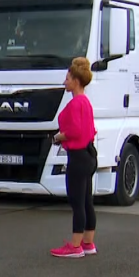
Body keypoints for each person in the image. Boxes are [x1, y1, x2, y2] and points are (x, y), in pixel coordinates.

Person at [50, 57, 98, 258]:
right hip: (88, 155)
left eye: (68, 78)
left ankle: (75, 246)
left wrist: (59, 137)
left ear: (76, 80)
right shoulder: (86, 102)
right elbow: (89, 130)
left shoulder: (76, 103)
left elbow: (75, 130)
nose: (64, 82)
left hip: (77, 156)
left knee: (77, 200)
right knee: (86, 200)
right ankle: (88, 242)